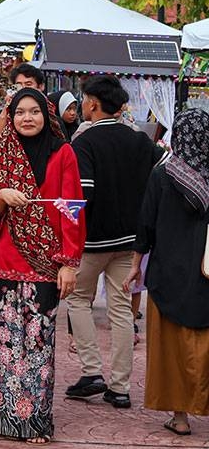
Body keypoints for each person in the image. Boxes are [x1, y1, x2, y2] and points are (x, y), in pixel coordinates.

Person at [0, 89, 85, 444]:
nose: (27, 118)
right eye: (20, 112)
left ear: (47, 115)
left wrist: (69, 263)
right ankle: (6, 419)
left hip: (45, 265)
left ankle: (35, 422)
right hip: (6, 265)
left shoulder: (63, 153)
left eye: (35, 112)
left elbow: (72, 208)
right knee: (6, 344)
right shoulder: (2, 155)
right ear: (9, 117)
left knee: (38, 345)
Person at [66, 75, 162, 409]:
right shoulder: (138, 140)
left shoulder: (84, 142)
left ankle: (92, 371)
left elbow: (84, 194)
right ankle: (120, 387)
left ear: (92, 102)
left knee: (79, 300)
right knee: (121, 310)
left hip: (93, 240)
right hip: (130, 239)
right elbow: (161, 176)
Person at [126, 109, 209, 438]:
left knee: (172, 349)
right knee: (203, 346)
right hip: (205, 274)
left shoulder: (164, 174)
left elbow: (146, 224)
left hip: (167, 274)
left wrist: (135, 266)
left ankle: (180, 417)